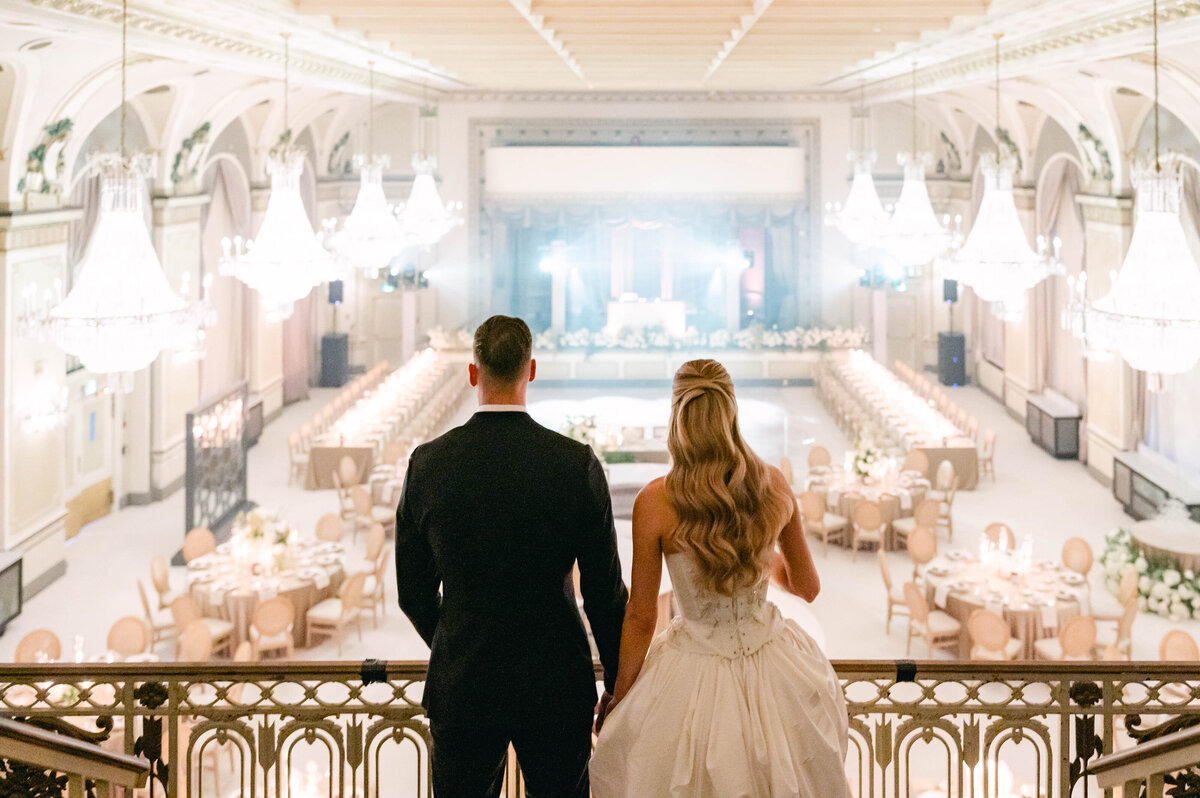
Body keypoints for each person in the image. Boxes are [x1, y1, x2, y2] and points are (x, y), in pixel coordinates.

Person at [590, 358, 850, 797]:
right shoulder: (773, 486)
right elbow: (808, 587)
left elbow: (639, 617)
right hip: (774, 667)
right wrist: (756, 553)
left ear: (678, 414)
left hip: (689, 674)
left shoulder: (655, 502)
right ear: (732, 410)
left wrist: (618, 698)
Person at [396, 315, 628, 798]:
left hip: (464, 683)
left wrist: (455, 637)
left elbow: (412, 592)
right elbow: (605, 592)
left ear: (473, 372)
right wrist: (616, 677)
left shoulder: (429, 463)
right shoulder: (574, 464)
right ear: (533, 369)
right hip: (556, 680)